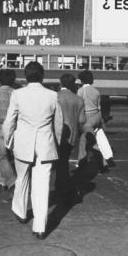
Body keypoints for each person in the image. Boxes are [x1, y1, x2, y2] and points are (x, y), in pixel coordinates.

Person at [2, 61, 64, 239]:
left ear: (25, 76)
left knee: (22, 178)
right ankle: (40, 227)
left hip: (23, 143)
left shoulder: (18, 94)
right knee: (42, 185)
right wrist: (56, 143)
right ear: (42, 75)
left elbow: (9, 121)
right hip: (45, 145)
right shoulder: (52, 95)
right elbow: (58, 124)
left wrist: (9, 141)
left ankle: (20, 211)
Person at [54, 73, 85, 202]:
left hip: (56, 133)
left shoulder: (55, 97)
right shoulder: (79, 100)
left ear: (61, 83)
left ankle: (60, 186)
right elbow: (82, 120)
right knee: (64, 161)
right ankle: (63, 187)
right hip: (71, 135)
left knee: (56, 162)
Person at [77, 70, 115, 170]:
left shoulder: (81, 91)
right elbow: (99, 108)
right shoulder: (96, 91)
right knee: (99, 136)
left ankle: (98, 163)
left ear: (82, 80)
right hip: (96, 117)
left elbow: (79, 107)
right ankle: (108, 156)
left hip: (87, 118)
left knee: (85, 141)